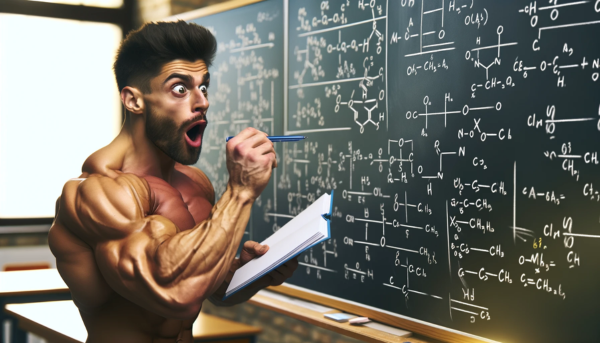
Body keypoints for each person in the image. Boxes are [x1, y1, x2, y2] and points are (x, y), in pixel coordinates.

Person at [49, 20, 297, 343]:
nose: (202, 102)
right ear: (134, 100)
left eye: (203, 87)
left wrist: (249, 273)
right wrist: (239, 193)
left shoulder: (194, 184)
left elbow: (204, 284)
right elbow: (174, 291)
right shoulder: (98, 193)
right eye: (180, 89)